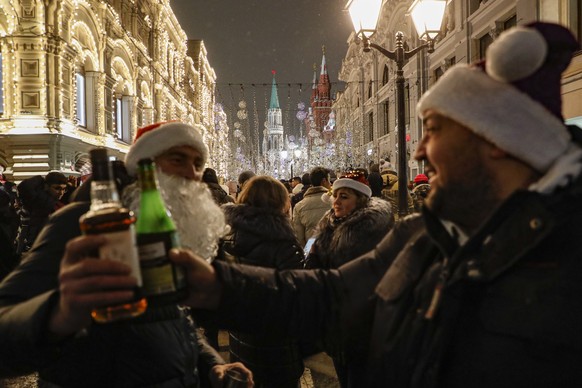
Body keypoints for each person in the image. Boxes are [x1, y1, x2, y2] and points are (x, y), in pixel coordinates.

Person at [162, 22, 581, 387]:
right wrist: (216, 283)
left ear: (495, 141)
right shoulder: (422, 235)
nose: (419, 152)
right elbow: (332, 296)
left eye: (433, 129)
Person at [0, 121, 253, 387]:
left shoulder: (166, 227)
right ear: (145, 166)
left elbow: (170, 316)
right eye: (177, 159)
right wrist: (58, 315)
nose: (192, 174)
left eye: (198, 164)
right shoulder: (80, 223)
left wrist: (210, 366)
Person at [303, 170, 393, 386]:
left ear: (360, 201)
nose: (336, 201)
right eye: (335, 195)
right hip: (336, 322)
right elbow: (310, 262)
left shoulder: (371, 231)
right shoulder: (327, 225)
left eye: (344, 197)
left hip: (363, 325)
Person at [221, 175, 304, 387]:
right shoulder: (282, 240)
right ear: (279, 202)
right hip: (275, 342)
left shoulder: (228, 233)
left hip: (240, 334)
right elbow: (297, 295)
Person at [15, 171, 68, 255]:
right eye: (57, 188)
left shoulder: (41, 202)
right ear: (46, 187)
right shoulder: (43, 206)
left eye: (64, 189)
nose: (61, 193)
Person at [292, 167, 332, 247]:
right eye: (329, 180)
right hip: (333, 250)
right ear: (324, 181)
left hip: (311, 249)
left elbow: (299, 237)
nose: (330, 184)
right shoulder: (334, 201)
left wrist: (307, 254)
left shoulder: (299, 206)